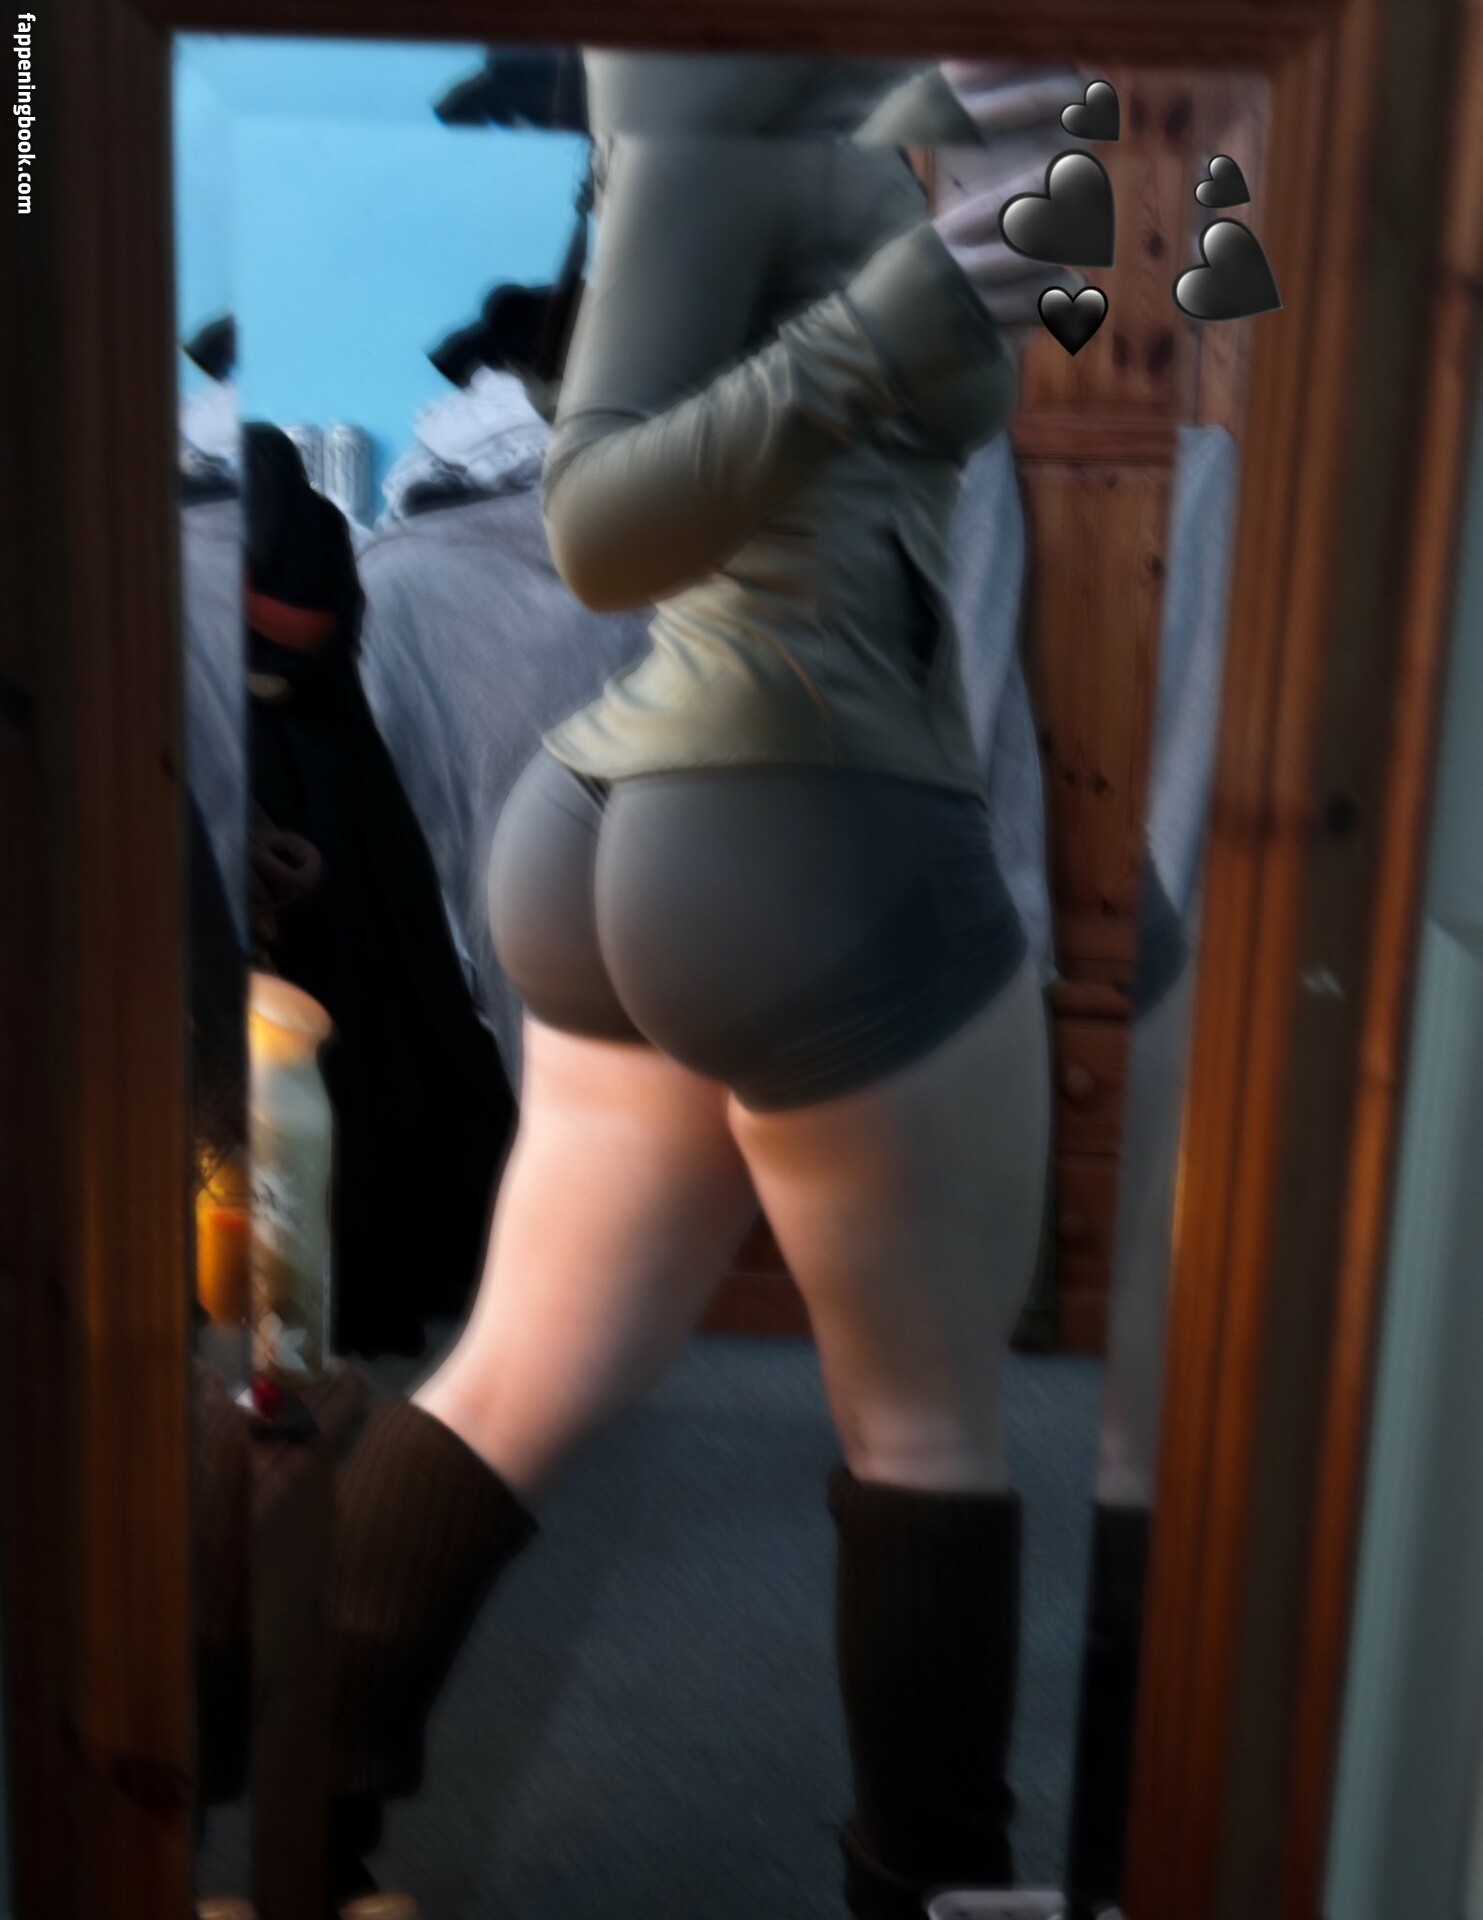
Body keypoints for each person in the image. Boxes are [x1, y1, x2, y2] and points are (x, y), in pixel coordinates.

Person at [325, 54, 1054, 1917]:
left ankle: (303, 1842)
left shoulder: (806, 118)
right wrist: (894, 320)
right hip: (798, 814)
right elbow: (599, 525)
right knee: (929, 1429)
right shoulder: (701, 119)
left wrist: (1005, 170)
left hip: (657, 816)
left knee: (522, 1367)